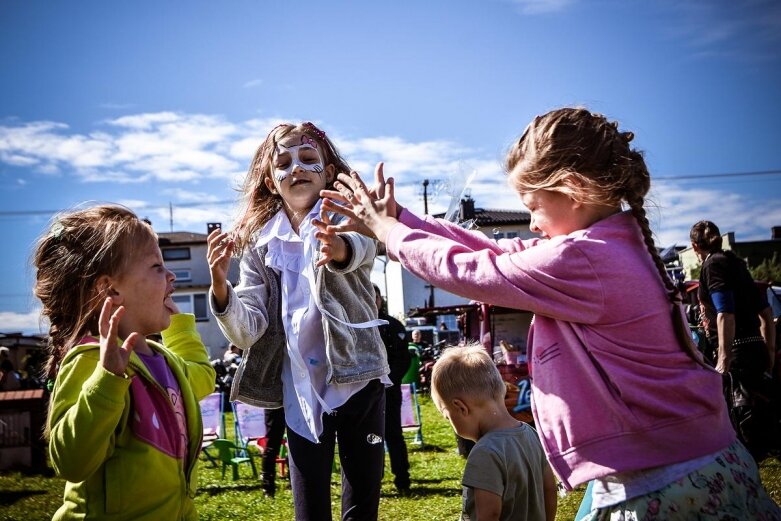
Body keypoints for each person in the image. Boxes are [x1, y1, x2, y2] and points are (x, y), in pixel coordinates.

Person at [322, 107, 781, 518]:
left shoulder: (584, 261)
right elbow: (496, 249)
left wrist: (387, 232)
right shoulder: (613, 244)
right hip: (692, 462)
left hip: (661, 485)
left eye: (534, 207)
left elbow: (477, 269)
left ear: (574, 190)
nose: (534, 223)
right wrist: (404, 218)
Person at [207, 122, 389, 521]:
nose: (297, 168)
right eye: (284, 163)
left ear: (327, 172)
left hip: (358, 377)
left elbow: (366, 247)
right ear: (272, 182)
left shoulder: (342, 215)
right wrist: (221, 289)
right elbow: (248, 327)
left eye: (308, 159)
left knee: (362, 507)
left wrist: (340, 248)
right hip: (301, 392)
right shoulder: (261, 247)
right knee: (309, 511)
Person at [33, 204, 216, 521]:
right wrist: (107, 381)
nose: (171, 276)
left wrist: (180, 325)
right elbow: (72, 461)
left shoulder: (165, 361)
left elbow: (202, 377)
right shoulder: (93, 360)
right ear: (110, 288)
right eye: (157, 267)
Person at [431, 343, 556, 521]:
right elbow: (550, 491)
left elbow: (489, 514)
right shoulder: (530, 433)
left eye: (447, 416)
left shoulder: (485, 453)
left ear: (461, 408)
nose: (450, 422)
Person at [690, 220, 778, 460]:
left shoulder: (713, 265)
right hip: (755, 350)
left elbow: (725, 312)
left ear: (694, 246)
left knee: (743, 429)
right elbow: (766, 313)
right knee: (760, 426)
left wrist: (723, 358)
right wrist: (768, 350)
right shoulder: (736, 263)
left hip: (736, 357)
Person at [373, 284, 412, 496]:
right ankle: (372, 481)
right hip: (365, 394)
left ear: (381, 298)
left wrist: (387, 380)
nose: (372, 300)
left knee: (394, 435)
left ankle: (403, 480)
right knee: (370, 438)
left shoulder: (394, 325)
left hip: (390, 391)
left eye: (375, 296)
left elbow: (403, 359)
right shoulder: (358, 325)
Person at [260, 406, 287, 498]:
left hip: (295, 400)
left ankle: (297, 482)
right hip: (273, 402)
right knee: (272, 445)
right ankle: (267, 487)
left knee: (298, 444)